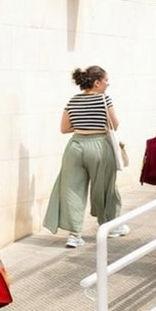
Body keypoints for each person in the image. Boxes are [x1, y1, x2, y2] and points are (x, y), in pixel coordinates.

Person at [43, 65, 124, 248]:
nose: (108, 84)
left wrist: (82, 126)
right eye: (106, 80)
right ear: (97, 83)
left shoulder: (73, 100)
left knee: (71, 189)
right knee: (105, 187)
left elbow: (64, 128)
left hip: (75, 146)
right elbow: (115, 124)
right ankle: (110, 226)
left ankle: (74, 235)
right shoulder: (104, 99)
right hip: (99, 146)